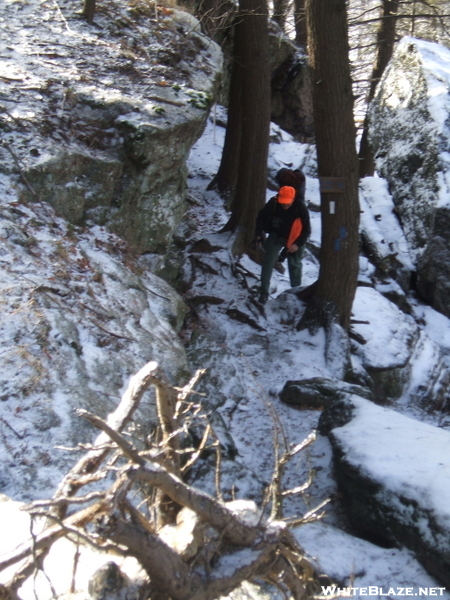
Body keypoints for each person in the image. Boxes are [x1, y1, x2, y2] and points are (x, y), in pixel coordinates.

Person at [254, 170, 311, 304]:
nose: (285, 205)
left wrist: (297, 244)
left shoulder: (300, 208)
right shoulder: (273, 203)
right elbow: (261, 218)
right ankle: (264, 291)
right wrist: (258, 234)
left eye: (287, 203)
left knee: (295, 264)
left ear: (293, 199)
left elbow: (307, 230)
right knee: (268, 261)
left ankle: (296, 290)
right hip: (277, 235)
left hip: (296, 237)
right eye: (283, 202)